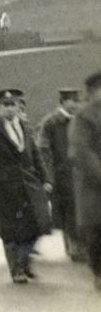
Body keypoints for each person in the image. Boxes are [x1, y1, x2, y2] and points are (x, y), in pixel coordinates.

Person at [0, 89, 52, 284]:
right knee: (11, 231)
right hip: (5, 186)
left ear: (18, 106)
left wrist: (45, 178)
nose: (9, 108)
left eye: (12, 104)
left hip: (29, 185)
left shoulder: (23, 125)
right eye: (5, 105)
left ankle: (24, 261)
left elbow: (36, 155)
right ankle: (17, 270)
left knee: (38, 225)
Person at [36, 88, 83, 261]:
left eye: (77, 101)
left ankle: (79, 245)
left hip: (81, 173)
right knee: (69, 211)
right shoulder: (51, 122)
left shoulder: (79, 120)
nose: (76, 105)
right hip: (62, 174)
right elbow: (43, 148)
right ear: (63, 102)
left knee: (80, 209)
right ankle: (74, 246)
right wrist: (48, 175)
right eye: (73, 101)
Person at [69, 71, 101, 291]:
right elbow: (81, 151)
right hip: (94, 186)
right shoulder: (84, 116)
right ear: (92, 92)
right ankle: (99, 272)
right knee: (96, 232)